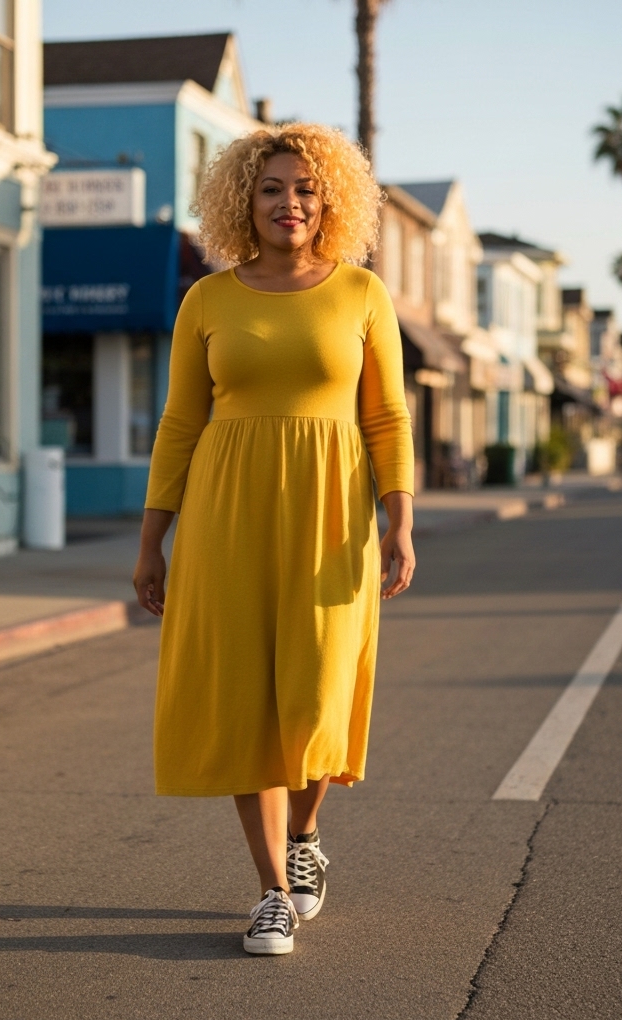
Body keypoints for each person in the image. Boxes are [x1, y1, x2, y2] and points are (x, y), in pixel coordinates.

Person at [132, 123, 415, 956]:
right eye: (270, 189)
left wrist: (399, 519)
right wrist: (153, 541)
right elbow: (182, 420)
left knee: (319, 693)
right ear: (241, 201)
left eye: (304, 189)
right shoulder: (208, 301)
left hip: (332, 517)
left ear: (328, 201)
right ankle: (272, 892)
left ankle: (305, 836)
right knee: (246, 698)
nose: (288, 203)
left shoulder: (362, 293)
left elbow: (387, 415)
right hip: (226, 514)